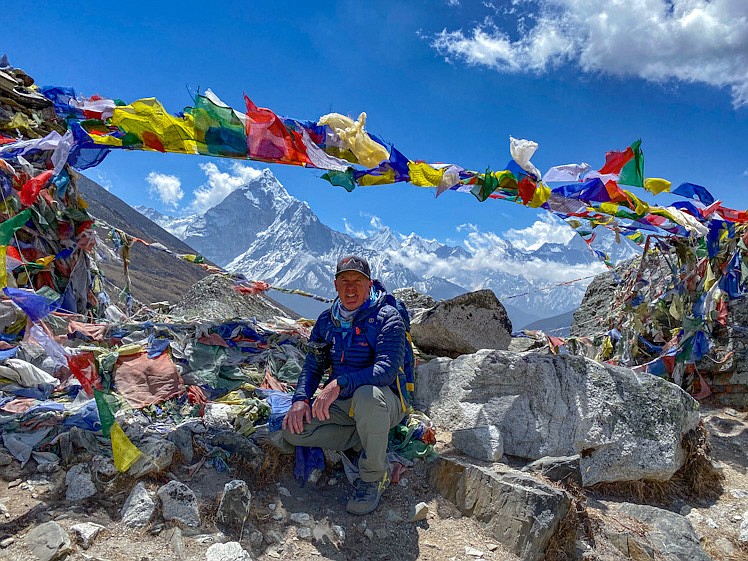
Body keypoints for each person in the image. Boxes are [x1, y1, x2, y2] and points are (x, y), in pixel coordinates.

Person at [282, 254, 407, 515]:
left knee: (367, 396)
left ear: (369, 285)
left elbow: (385, 371)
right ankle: (367, 440)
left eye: (358, 281)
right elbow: (313, 364)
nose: (351, 288)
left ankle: (374, 476)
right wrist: (300, 399)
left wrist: (340, 382)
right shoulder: (327, 321)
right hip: (344, 403)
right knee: (292, 431)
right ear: (336, 285)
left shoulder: (387, 318)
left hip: (384, 401)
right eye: (344, 280)